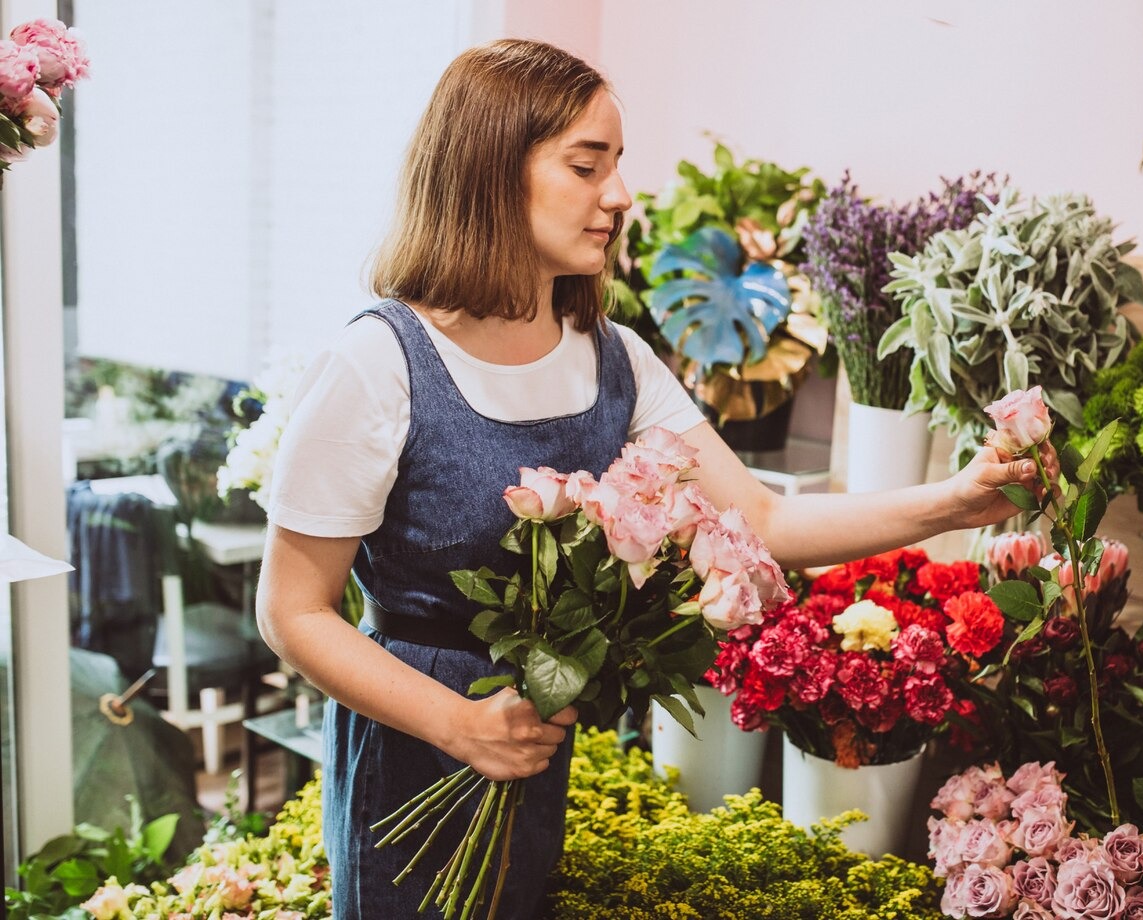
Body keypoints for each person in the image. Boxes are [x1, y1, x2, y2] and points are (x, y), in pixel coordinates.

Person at [256, 38, 1054, 920]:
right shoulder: (379, 361)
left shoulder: (617, 360)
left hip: (537, 750)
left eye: (618, 165)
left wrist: (957, 500)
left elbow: (761, 520)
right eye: (586, 165)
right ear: (488, 171)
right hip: (412, 758)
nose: (621, 197)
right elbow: (292, 611)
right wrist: (458, 724)